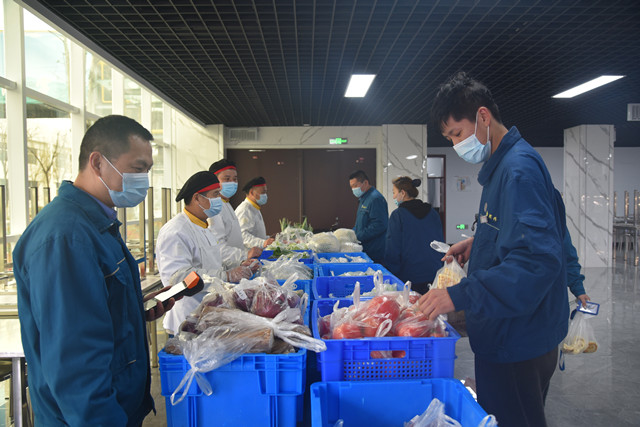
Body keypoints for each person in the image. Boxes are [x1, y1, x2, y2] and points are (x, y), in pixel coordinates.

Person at [418, 72, 568, 427]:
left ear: (482, 116)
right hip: (508, 331)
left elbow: (535, 262)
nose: (457, 144)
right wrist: (480, 242)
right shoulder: (502, 168)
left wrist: (458, 295)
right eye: (450, 138)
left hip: (518, 338)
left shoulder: (518, 170)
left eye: (457, 133)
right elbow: (519, 234)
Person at [13, 115, 174, 426]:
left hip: (118, 407)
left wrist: (133, 309)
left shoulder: (97, 224)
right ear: (98, 163)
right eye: (137, 168)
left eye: (148, 171)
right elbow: (76, 362)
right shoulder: (66, 237)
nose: (144, 180)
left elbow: (92, 313)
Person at [156, 171, 258, 334]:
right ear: (197, 198)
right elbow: (178, 278)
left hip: (207, 311)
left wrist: (237, 266)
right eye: (215, 194)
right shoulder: (176, 231)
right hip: (187, 316)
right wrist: (226, 276)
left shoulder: (203, 226)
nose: (219, 199)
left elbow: (212, 262)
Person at [383, 177, 444, 294]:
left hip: (409, 275)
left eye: (394, 193)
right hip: (433, 272)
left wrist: (391, 274)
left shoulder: (398, 215)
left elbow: (392, 248)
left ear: (403, 193)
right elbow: (440, 243)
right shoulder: (433, 213)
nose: (394, 197)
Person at [208, 159, 262, 267]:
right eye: (227, 179)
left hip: (236, 265)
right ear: (215, 181)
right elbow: (218, 248)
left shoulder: (226, 204)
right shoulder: (214, 208)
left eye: (235, 179)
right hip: (224, 270)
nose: (232, 183)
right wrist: (244, 255)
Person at [348, 170, 388, 263]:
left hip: (375, 250)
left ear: (365, 183)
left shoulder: (375, 198)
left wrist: (358, 236)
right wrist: (350, 234)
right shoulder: (364, 198)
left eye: (355, 185)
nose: (353, 189)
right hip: (366, 249)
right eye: (351, 187)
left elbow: (379, 225)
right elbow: (361, 223)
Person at [235, 176, 276, 248]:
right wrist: (263, 242)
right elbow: (242, 236)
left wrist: (270, 239)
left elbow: (257, 235)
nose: (265, 195)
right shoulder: (244, 210)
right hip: (247, 253)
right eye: (263, 192)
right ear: (251, 193)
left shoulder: (254, 208)